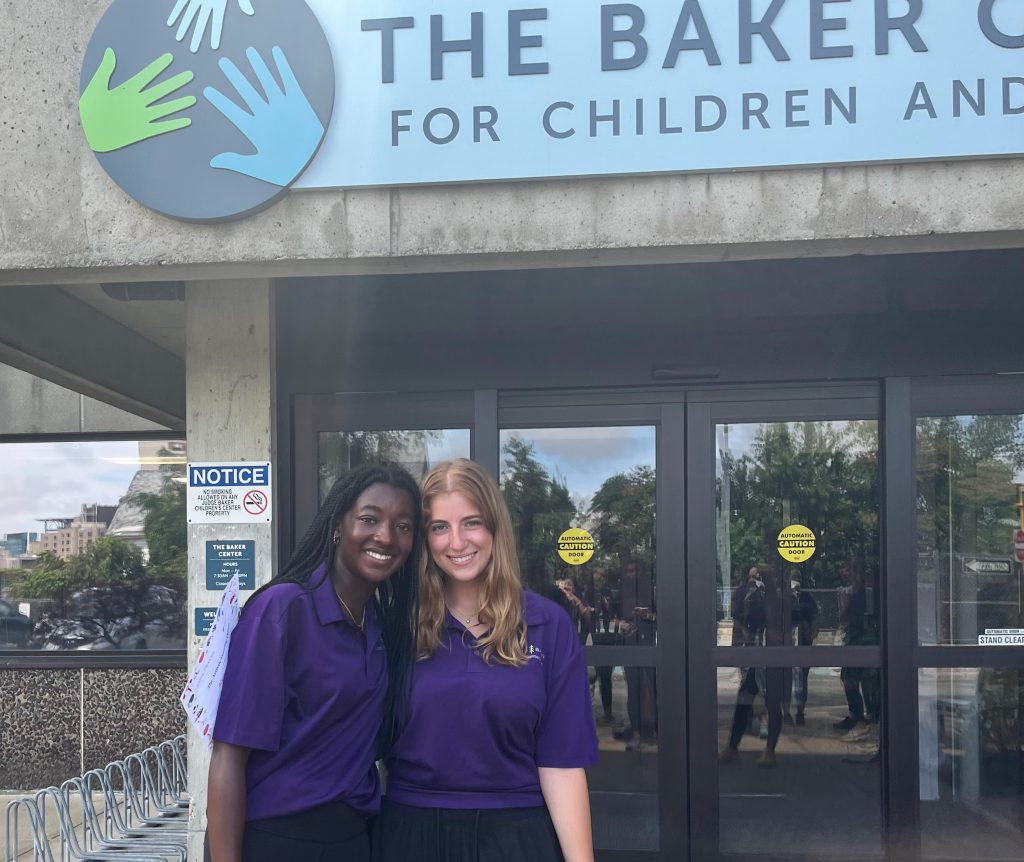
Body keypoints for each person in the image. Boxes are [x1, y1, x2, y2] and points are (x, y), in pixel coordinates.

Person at [375, 458, 598, 862]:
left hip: (516, 835)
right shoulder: (396, 627)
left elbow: (561, 765)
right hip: (409, 834)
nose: (456, 542)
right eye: (439, 528)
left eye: (472, 522)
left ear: (495, 527)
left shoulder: (548, 624)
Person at [206, 463, 421, 862]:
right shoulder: (282, 611)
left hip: (354, 838)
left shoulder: (380, 624)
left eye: (403, 526)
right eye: (369, 519)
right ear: (338, 525)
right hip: (276, 840)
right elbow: (228, 756)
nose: (386, 537)